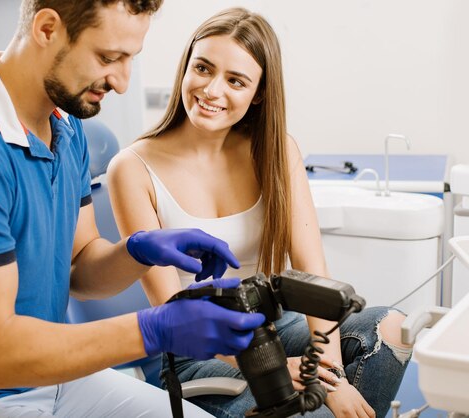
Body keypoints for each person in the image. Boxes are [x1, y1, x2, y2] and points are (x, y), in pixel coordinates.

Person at [0, 1, 268, 417]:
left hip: (57, 377)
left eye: (130, 59)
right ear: (48, 28)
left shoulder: (66, 126)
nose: (122, 83)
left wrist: (138, 250)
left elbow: (81, 270)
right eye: (109, 58)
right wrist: (154, 329)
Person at [108, 7, 413, 418]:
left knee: (389, 329)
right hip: (190, 352)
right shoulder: (132, 169)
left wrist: (330, 372)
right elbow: (173, 311)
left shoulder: (276, 151)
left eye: (235, 80)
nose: (212, 90)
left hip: (270, 324)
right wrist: (276, 371)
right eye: (203, 68)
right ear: (186, 68)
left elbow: (313, 270)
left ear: (259, 93)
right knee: (306, 406)